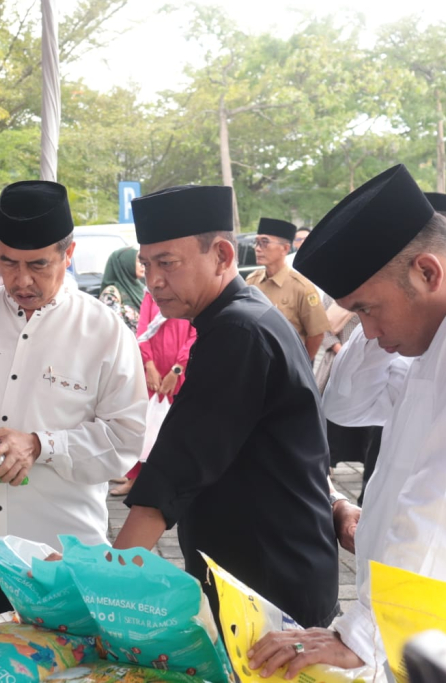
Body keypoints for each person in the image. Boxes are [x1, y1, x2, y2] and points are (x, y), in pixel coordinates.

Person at [250, 165, 446, 680]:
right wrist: (375, 319)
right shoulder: (441, 323)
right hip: (415, 619)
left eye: (369, 310)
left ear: (428, 272)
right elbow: (348, 404)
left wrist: (362, 632)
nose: (367, 332)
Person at [0, 180, 146, 618]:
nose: (21, 280)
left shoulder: (105, 331)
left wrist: (41, 445)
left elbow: (124, 440)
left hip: (62, 559)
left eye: (38, 264)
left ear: (68, 254)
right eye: (8, 262)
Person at [114, 185, 340, 631]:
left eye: (168, 263)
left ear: (220, 255)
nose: (153, 280)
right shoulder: (238, 315)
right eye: (147, 264)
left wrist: (107, 582)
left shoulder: (240, 331)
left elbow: (174, 472)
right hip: (259, 566)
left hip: (269, 582)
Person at [110, 289, 196, 497]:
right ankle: (135, 477)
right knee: (143, 425)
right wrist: (149, 365)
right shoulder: (152, 295)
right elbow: (143, 330)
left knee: (171, 428)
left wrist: (177, 369)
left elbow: (193, 334)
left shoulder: (188, 294)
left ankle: (163, 480)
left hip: (178, 372)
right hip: (152, 371)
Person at [315, 295, 382, 505]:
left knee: (368, 434)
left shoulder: (376, 290)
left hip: (371, 368)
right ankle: (327, 471)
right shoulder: (331, 295)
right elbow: (322, 327)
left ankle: (364, 484)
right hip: (339, 362)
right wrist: (340, 349)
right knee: (330, 423)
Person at [246, 218, 328, 359]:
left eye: (264, 242)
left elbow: (316, 334)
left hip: (285, 366)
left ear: (285, 248)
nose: (257, 248)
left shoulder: (301, 287)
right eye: (257, 242)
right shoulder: (252, 282)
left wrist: (300, 364)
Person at [97, 246, 144, 332]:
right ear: (126, 263)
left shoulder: (141, 288)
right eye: (138, 261)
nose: (142, 264)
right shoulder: (110, 294)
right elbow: (110, 328)